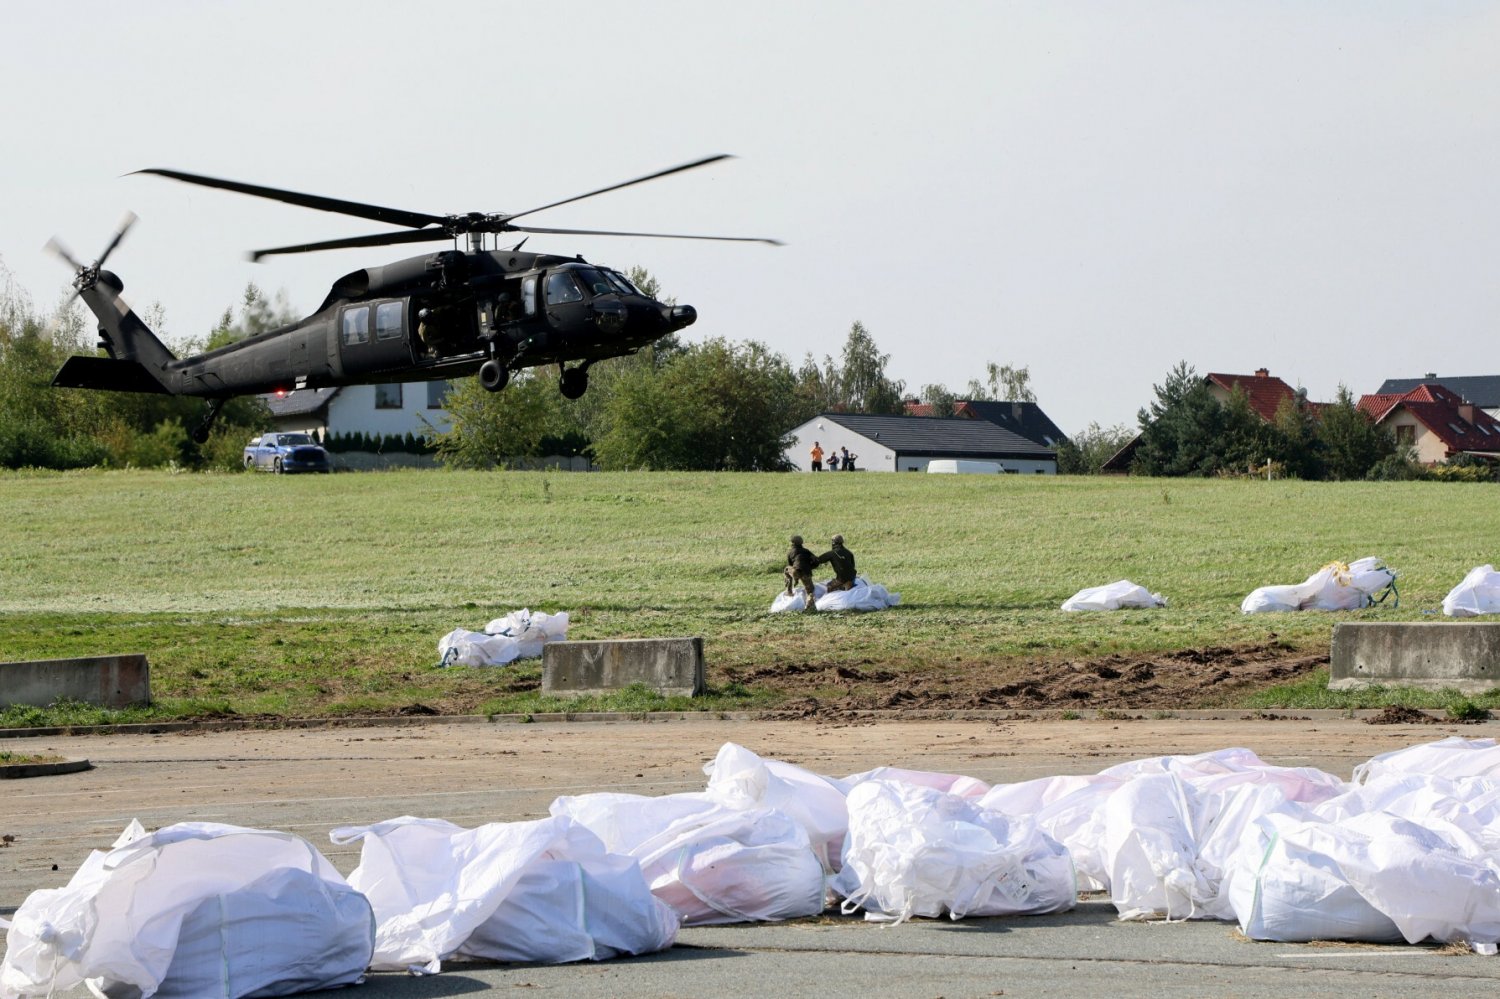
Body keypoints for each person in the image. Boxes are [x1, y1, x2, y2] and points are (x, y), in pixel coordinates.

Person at [783, 534, 818, 611]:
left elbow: (790, 564)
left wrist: (795, 577)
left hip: (795, 571)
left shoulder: (790, 552)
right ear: (801, 542)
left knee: (786, 569)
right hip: (806, 572)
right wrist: (810, 567)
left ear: (792, 543)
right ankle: (809, 606)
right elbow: (816, 561)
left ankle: (789, 591)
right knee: (810, 590)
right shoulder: (807, 551)